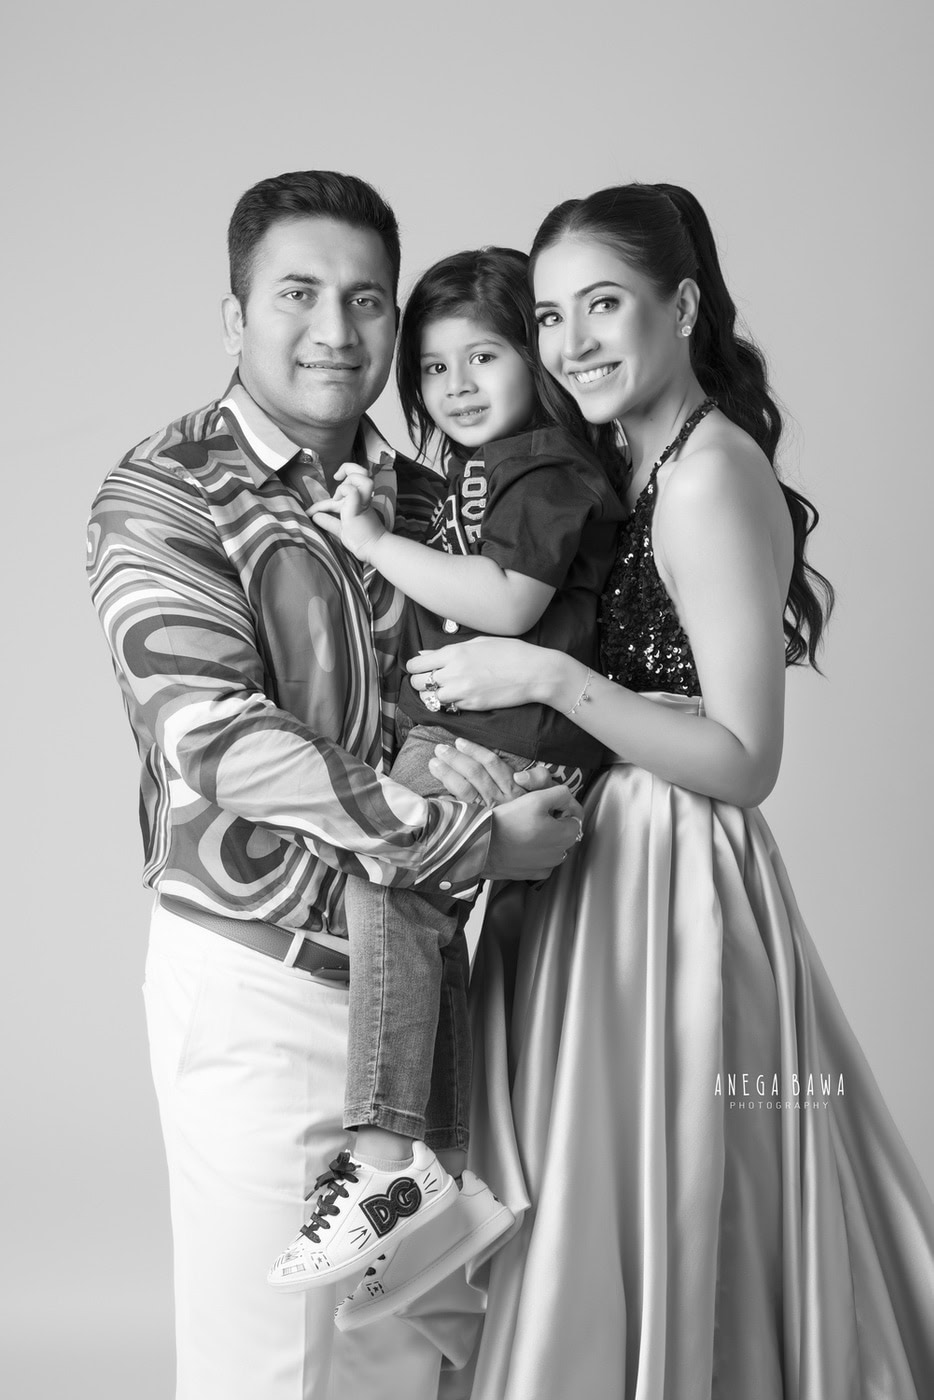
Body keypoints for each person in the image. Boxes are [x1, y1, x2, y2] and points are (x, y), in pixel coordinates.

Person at [404, 184, 934, 1398]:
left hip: (671, 872)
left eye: (604, 305)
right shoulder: (622, 463)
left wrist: (547, 672)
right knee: (593, 1175)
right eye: (547, 316)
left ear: (680, 304)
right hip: (599, 860)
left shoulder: (704, 473)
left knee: (678, 1174)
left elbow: (747, 758)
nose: (572, 342)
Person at [85, 169, 582, 1400]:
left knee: (416, 1360)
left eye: (367, 300)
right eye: (298, 294)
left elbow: (487, 689)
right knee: (273, 1371)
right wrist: (464, 837)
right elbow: (218, 735)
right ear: (234, 313)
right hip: (263, 982)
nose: (336, 331)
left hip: (430, 999)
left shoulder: (427, 497)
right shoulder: (163, 491)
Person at [265, 247, 623, 1299]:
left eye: (484, 356)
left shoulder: (547, 465)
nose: (455, 386)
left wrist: (372, 541)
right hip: (475, 736)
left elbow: (509, 601)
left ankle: (384, 1159)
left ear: (538, 356)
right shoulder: (474, 467)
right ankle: (441, 1171)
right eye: (429, 368)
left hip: (515, 744)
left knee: (389, 877)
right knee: (414, 912)